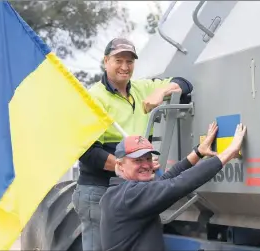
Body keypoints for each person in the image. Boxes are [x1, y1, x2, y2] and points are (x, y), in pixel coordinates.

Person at [72, 37, 194, 251]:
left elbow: (185, 83)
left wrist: (161, 92)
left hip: (131, 189)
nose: (124, 67)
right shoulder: (93, 98)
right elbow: (87, 152)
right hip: (99, 190)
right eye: (118, 60)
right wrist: (126, 166)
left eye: (130, 62)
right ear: (106, 61)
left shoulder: (142, 88)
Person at [99, 122, 247, 251]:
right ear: (120, 165)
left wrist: (198, 152)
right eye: (137, 160)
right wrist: (228, 153)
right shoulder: (130, 195)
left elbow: (167, 180)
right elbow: (177, 185)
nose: (146, 165)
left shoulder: (119, 193)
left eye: (148, 158)